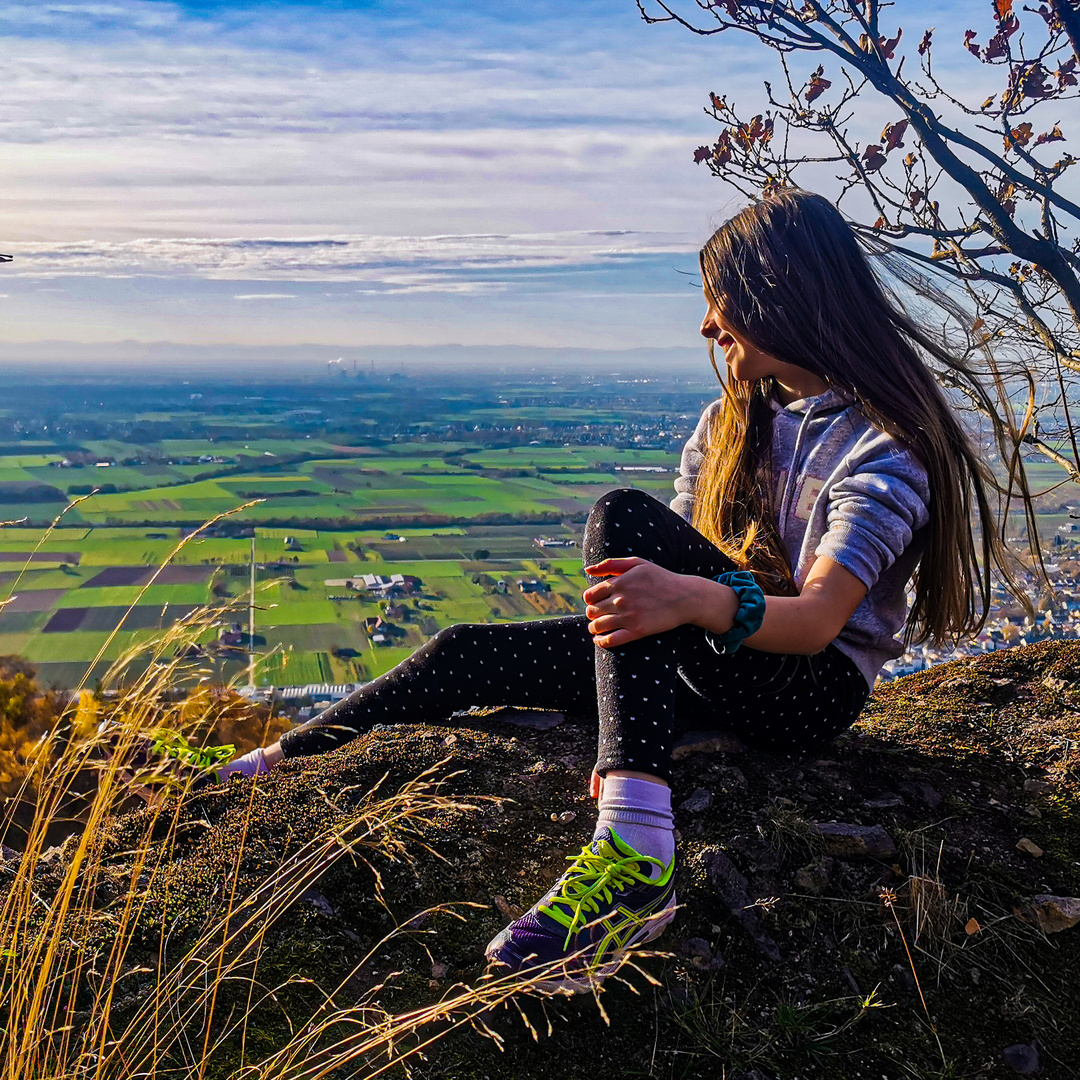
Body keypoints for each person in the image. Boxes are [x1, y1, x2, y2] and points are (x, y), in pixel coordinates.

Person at [218, 189, 1028, 992]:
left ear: (778, 302)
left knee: (622, 518)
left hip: (807, 689)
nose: (708, 328)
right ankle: (268, 766)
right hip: (718, 656)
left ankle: (637, 847)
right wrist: (657, 627)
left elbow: (818, 623)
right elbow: (671, 581)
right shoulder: (728, 423)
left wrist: (692, 602)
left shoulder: (883, 446)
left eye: (722, 306)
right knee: (464, 651)